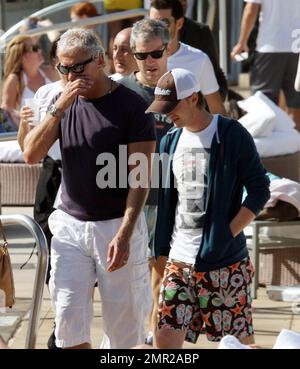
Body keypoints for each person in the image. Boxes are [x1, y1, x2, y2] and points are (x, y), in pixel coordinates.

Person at [21, 28, 156, 349]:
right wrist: (58, 108)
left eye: (78, 68)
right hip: (69, 225)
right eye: (63, 69)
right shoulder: (60, 101)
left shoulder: (133, 107)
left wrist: (125, 232)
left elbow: (140, 178)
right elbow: (31, 154)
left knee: (125, 332)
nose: (70, 76)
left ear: (99, 60)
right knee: (68, 325)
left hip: (115, 226)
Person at [146, 68, 270, 348]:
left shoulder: (230, 133)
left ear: (193, 98)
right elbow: (167, 202)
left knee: (239, 345)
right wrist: (161, 250)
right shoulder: (169, 140)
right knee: (164, 341)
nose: (168, 115)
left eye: (172, 107)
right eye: (163, 109)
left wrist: (227, 234)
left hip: (224, 263)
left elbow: (260, 189)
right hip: (179, 262)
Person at [119, 18, 172, 345]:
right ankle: (132, 334)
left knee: (162, 270)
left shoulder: (181, 86)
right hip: (129, 196)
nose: (150, 62)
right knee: (128, 275)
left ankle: (153, 334)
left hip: (171, 193)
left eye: (156, 53)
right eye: (142, 55)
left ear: (167, 49)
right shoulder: (121, 91)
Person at [231, 0, 300, 131]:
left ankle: (266, 148)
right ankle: (295, 146)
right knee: (296, 105)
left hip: (270, 46)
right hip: (297, 46)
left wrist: (242, 42)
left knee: (262, 104)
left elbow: (251, 8)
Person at [149, 0, 226, 115]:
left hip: (187, 131)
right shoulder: (139, 56)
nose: (158, 29)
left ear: (179, 23)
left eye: (164, 23)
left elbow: (217, 110)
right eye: (153, 23)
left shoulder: (198, 59)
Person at [178, 0, 228, 101]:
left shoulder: (201, 32)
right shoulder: (144, 38)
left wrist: (205, 108)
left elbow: (217, 75)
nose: (183, 3)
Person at [1, 35, 54, 120]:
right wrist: (21, 115)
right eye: (34, 48)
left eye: (38, 47)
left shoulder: (50, 72)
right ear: (22, 55)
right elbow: (6, 109)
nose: (40, 51)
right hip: (32, 130)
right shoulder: (15, 79)